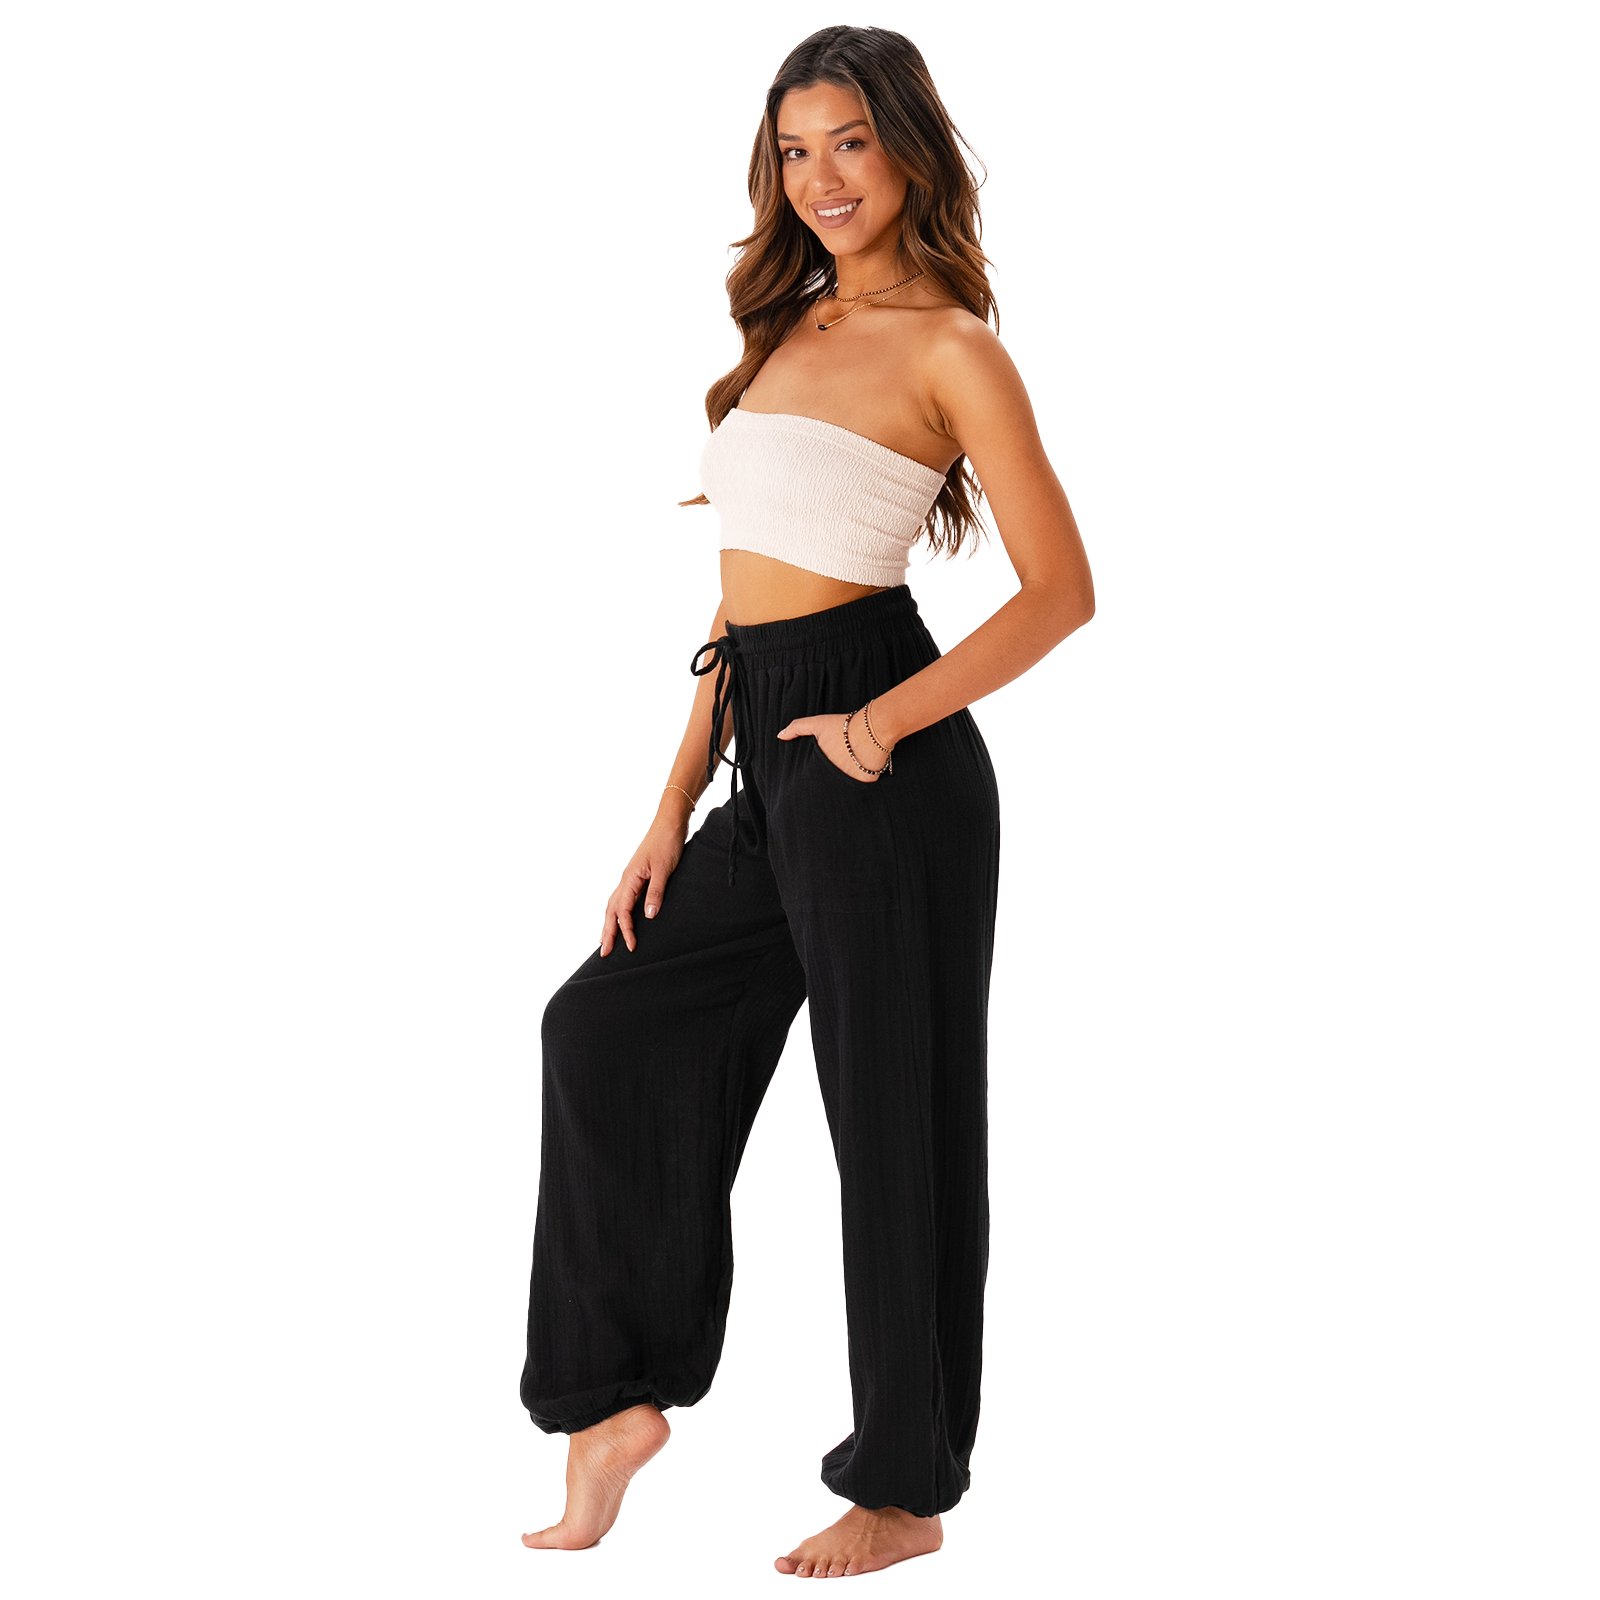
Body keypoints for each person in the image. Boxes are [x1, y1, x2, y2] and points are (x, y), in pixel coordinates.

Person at [519, 24, 1094, 1580]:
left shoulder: (953, 348)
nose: (822, 177)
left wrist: (883, 725)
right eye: (794, 150)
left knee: (895, 1122)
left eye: (849, 142)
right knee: (602, 1025)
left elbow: (1062, 593)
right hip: (766, 738)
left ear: (908, 148)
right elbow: (741, 600)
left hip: (882, 749)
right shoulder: (788, 323)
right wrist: (670, 806)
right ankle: (614, 1399)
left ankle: (903, 1488)